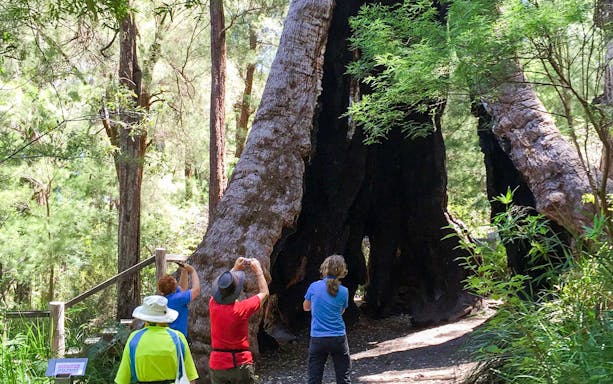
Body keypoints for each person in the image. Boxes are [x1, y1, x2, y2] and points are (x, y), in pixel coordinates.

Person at [209, 257, 269, 384]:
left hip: (217, 364)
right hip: (240, 364)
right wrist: (258, 270)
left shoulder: (213, 305)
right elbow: (264, 293)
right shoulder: (242, 309)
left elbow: (223, 286)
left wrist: (235, 269)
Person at [114, 295, 199, 384]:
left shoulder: (134, 338)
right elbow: (191, 377)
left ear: (144, 318)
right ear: (165, 316)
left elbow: (122, 379)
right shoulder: (177, 337)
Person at [303, 254, 351, 384]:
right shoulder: (344, 291)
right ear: (341, 271)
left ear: (324, 269)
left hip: (318, 338)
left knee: (314, 378)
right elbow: (341, 311)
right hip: (338, 338)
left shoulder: (313, 287)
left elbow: (306, 307)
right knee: (343, 378)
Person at [157, 261, 201, 339]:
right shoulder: (177, 299)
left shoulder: (166, 299)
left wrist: (184, 271)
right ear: (174, 286)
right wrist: (192, 271)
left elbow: (183, 289)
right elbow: (196, 290)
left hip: (168, 337)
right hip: (178, 338)